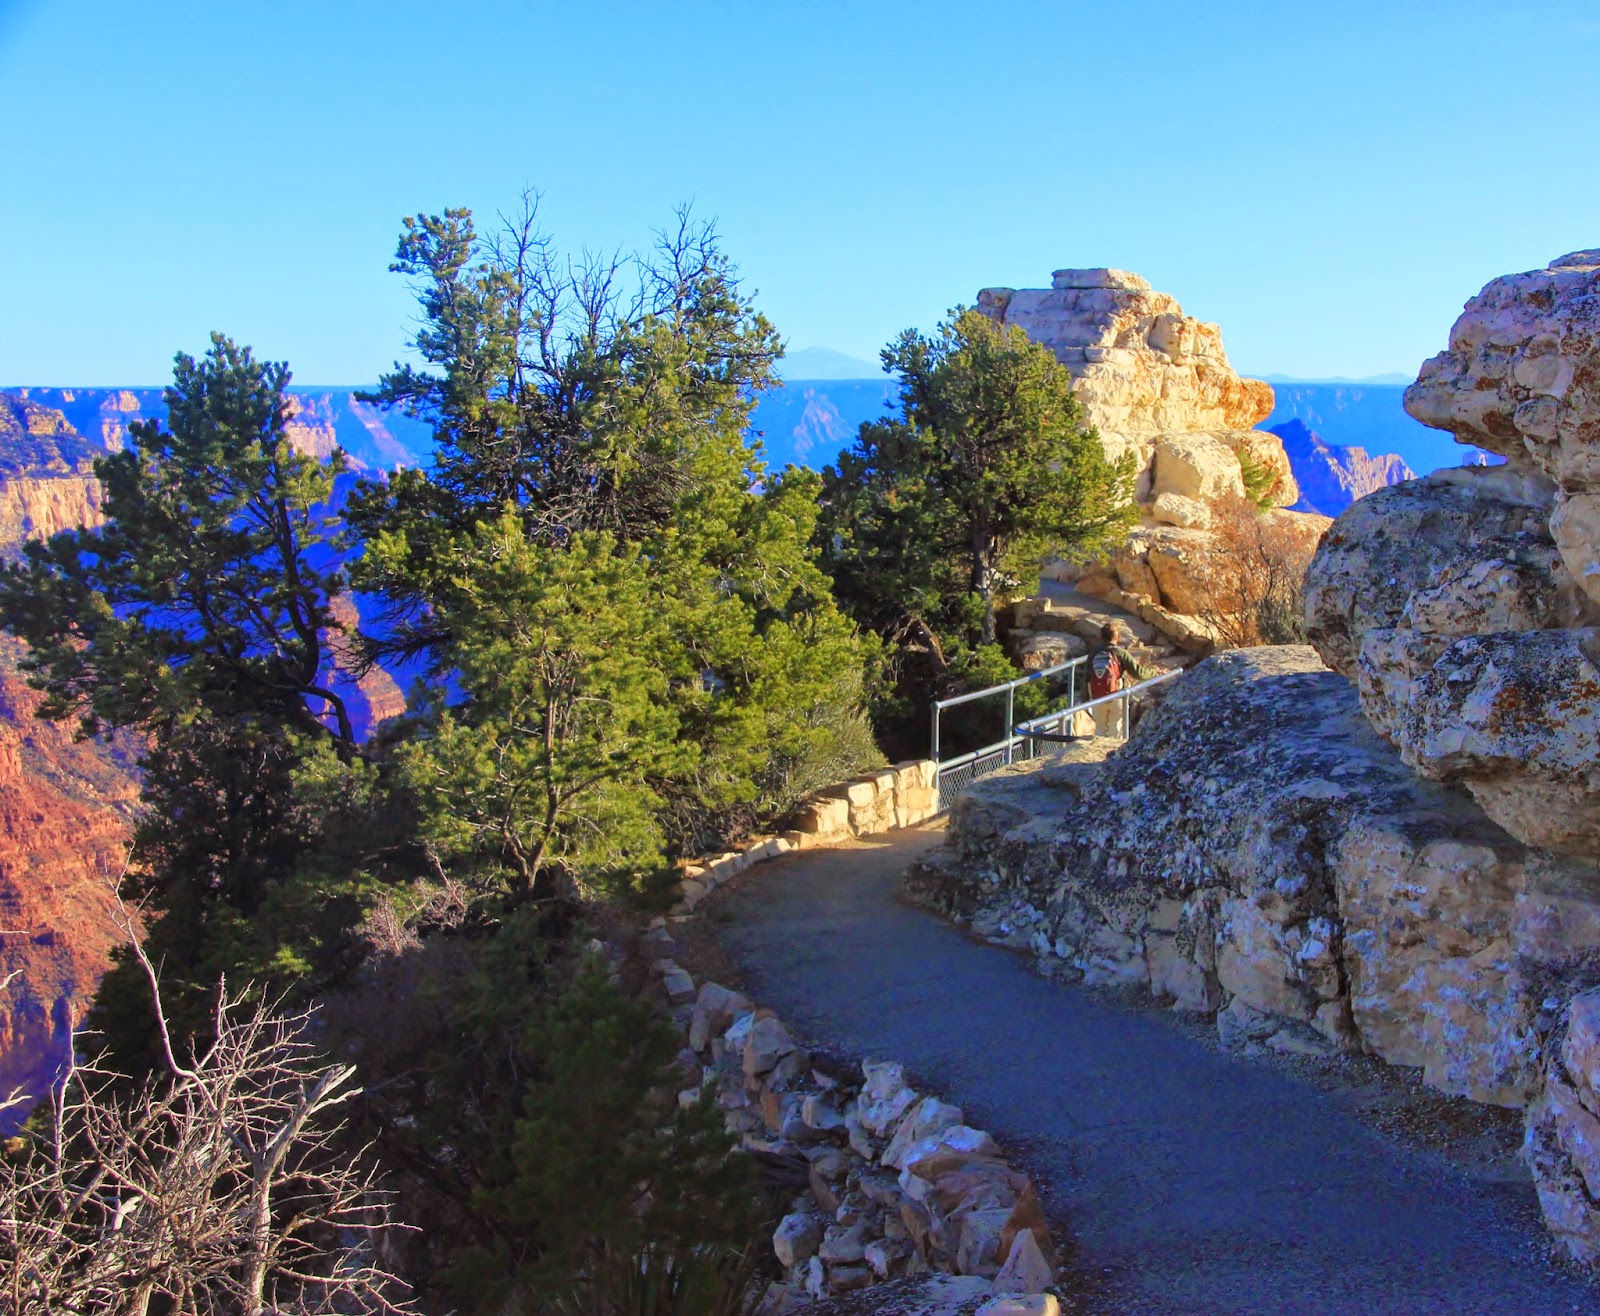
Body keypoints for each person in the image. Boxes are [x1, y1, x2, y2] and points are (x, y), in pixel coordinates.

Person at [1086, 621, 1152, 738]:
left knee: (1100, 728)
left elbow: (1087, 678)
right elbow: (1138, 673)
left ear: (1101, 637)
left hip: (1097, 696)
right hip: (1115, 695)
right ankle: (1111, 754)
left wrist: (1085, 699)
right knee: (1115, 730)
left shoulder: (1093, 653)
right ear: (1117, 637)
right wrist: (1154, 672)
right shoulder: (1121, 653)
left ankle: (1098, 752)